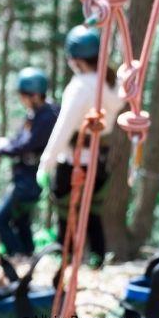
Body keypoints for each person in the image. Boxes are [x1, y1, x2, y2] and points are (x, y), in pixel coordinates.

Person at [38, 25, 124, 268]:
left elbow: (64, 128)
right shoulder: (110, 83)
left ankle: (67, 258)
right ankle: (97, 257)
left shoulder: (81, 86)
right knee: (92, 209)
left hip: (74, 159)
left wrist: (46, 164)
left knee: (67, 210)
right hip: (99, 158)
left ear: (74, 59)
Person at [0, 67, 58, 257]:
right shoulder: (34, 114)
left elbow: (28, 145)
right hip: (24, 177)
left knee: (0, 219)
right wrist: (3, 145)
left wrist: (1, 149)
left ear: (33, 95)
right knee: (21, 220)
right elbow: (19, 139)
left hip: (30, 180)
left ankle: (16, 255)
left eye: (23, 95)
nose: (21, 100)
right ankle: (27, 255)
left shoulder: (47, 116)